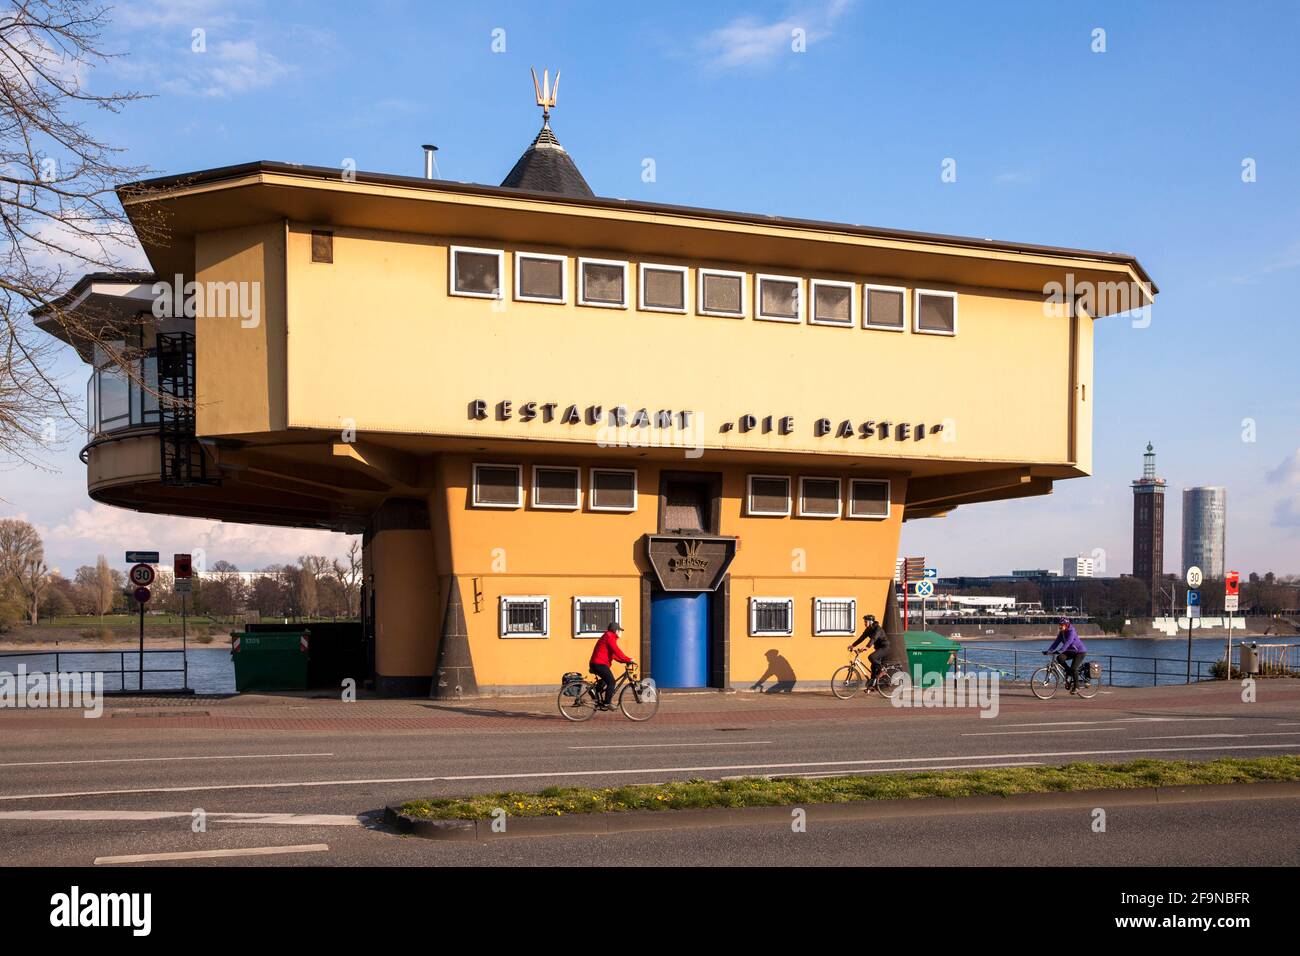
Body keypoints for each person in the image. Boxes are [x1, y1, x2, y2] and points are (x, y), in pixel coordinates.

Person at [590, 620, 633, 710]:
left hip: (598, 663)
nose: (620, 633)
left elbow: (612, 654)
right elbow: (616, 650)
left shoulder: (608, 637)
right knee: (612, 682)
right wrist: (627, 659)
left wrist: (623, 661)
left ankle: (594, 691)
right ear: (616, 630)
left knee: (606, 680)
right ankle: (607, 703)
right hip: (599, 663)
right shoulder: (609, 637)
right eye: (619, 631)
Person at [1045, 617, 1087, 693]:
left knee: (1074, 668)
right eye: (1059, 625)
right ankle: (1068, 671)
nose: (1060, 626)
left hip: (1080, 652)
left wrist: (1061, 650)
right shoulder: (1062, 633)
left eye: (1062, 625)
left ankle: (1077, 687)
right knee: (1059, 658)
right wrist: (1048, 651)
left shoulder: (1071, 631)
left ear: (1067, 625)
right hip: (1070, 651)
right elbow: (1056, 643)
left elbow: (1068, 642)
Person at [849, 613, 889, 680]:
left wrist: (867, 647)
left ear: (870, 622)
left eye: (865, 621)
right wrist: (853, 645)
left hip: (884, 647)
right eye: (864, 621)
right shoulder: (868, 629)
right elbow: (861, 638)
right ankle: (871, 686)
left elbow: (874, 638)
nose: (864, 623)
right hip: (878, 648)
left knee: (871, 657)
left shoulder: (877, 629)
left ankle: (883, 670)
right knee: (873, 667)